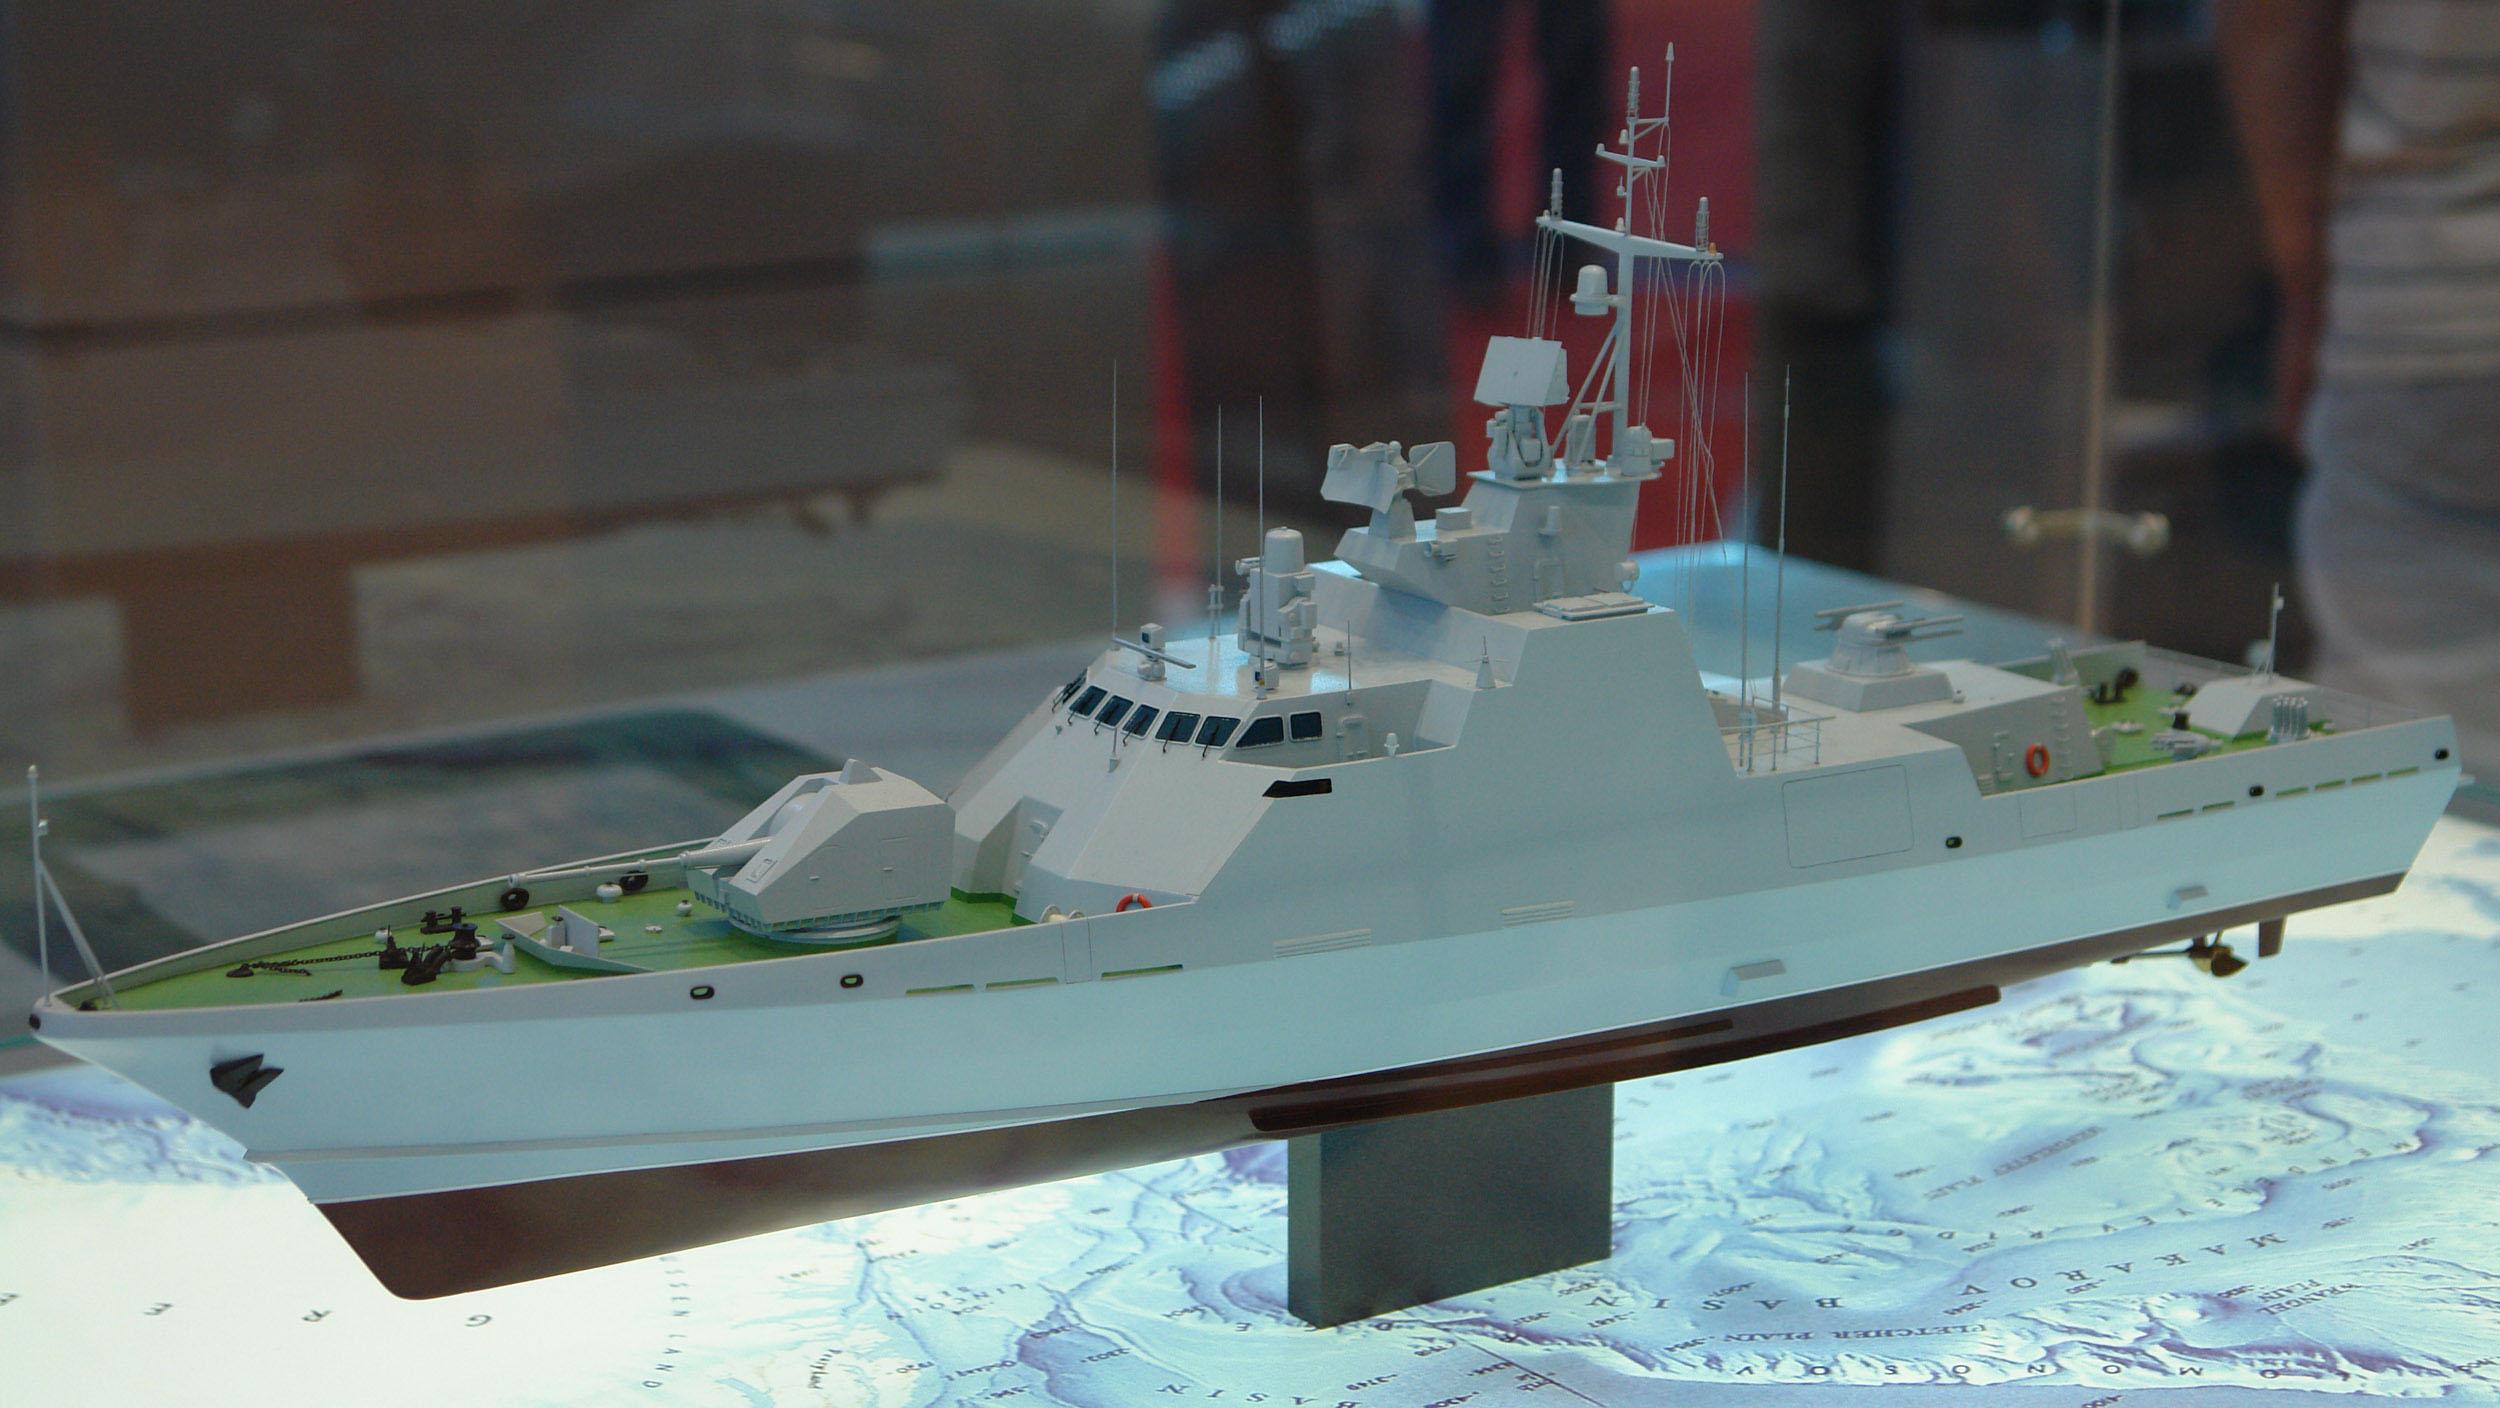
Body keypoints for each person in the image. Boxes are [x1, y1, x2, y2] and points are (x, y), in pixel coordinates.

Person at [2221, 0, 2500, 770]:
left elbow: (2275, 23)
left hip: (2436, 286)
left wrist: (2306, 288)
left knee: (2414, 759)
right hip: (2433, 303)